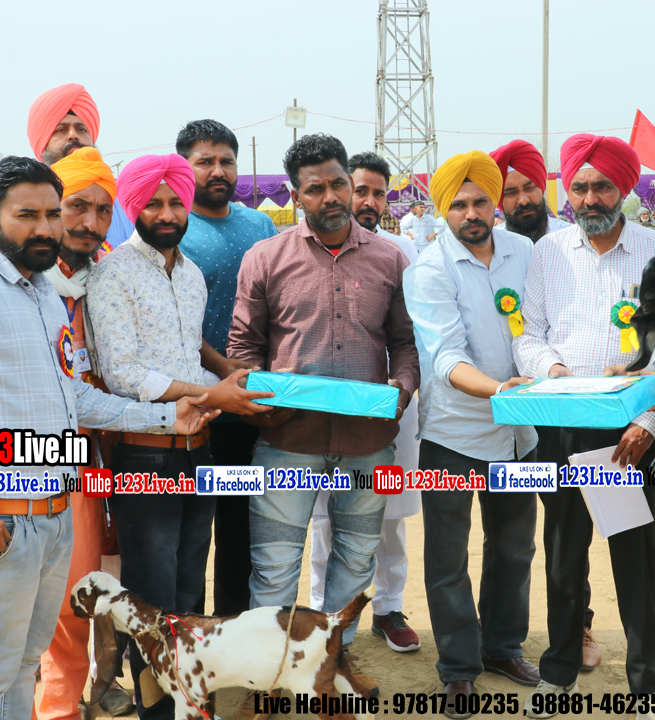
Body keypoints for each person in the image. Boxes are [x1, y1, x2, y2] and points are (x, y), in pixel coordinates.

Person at [0, 155, 215, 720]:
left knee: (25, 665)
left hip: (52, 518)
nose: (46, 228)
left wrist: (170, 418)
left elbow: (76, 399)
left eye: (52, 214)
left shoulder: (43, 293)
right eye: (28, 215)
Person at [226, 133, 419, 683]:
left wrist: (401, 389)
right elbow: (243, 346)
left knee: (356, 559)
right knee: (275, 565)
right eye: (316, 188)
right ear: (296, 196)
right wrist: (260, 401)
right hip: (287, 440)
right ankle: (270, 670)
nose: (331, 196)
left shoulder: (390, 258)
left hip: (367, 441)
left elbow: (405, 344)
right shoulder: (266, 258)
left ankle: (331, 660)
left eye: (339, 183)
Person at [88, 153, 274, 720]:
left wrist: (226, 376)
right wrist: (216, 396)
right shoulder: (113, 274)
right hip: (144, 456)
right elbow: (123, 374)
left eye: (176, 202)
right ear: (134, 206)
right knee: (152, 600)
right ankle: (157, 713)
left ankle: (188, 703)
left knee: (191, 590)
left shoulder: (190, 273)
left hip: (200, 451)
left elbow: (189, 347)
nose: (167, 214)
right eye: (154, 203)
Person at [514, 133, 655, 719]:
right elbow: (528, 336)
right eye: (579, 187)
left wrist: (650, 421)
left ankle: (645, 685)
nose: (589, 198)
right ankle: (557, 674)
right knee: (563, 556)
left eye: (601, 186)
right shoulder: (548, 253)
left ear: (624, 187)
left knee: (634, 559)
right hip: (563, 426)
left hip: (630, 436)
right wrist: (554, 373)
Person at [404, 150, 541, 718]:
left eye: (481, 201)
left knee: (515, 545)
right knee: (448, 556)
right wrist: (499, 391)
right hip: (453, 435)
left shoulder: (524, 252)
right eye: (458, 204)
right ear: (443, 210)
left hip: (521, 433)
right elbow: (444, 356)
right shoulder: (429, 269)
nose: (471, 213)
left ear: (495, 201)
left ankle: (502, 648)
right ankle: (458, 667)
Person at [32, 146, 137, 720]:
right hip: (37, 463)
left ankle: (99, 684)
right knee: (58, 601)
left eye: (103, 210)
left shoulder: (105, 278)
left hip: (104, 455)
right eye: (78, 206)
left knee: (100, 582)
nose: (91, 222)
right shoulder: (24, 281)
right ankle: (57, 707)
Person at [488, 138, 599, 672]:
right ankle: (500, 639)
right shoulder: (488, 246)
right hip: (502, 413)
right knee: (513, 534)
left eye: (530, 187)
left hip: (567, 411)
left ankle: (579, 627)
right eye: (509, 192)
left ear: (546, 187)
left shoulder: (571, 243)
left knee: (569, 526)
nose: (522, 200)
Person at [307, 150, 423, 654]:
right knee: (326, 518)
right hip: (326, 411)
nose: (369, 201)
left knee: (389, 516)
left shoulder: (402, 251)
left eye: (379, 193)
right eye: (361, 191)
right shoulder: (312, 249)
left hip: (390, 409)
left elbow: (410, 335)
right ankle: (323, 613)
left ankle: (388, 607)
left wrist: (402, 389)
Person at [174, 119, 280, 618]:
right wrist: (220, 367)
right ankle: (191, 634)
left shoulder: (259, 225)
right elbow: (170, 317)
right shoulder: (171, 226)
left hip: (251, 400)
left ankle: (235, 628)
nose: (218, 170)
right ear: (184, 168)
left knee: (242, 525)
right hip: (194, 401)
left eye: (227, 161)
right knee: (192, 529)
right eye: (205, 162)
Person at [489, 139, 570, 243]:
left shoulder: (571, 238)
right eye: (511, 193)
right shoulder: (491, 245)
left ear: (541, 187)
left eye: (529, 188)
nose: (523, 201)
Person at [27, 83, 100, 165]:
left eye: (81, 129)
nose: (72, 135)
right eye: (61, 130)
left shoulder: (107, 174)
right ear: (44, 144)